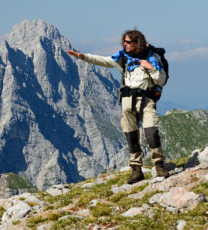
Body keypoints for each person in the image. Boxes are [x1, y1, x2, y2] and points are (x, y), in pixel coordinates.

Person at [66, 29, 168, 184]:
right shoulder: (123, 57)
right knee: (131, 134)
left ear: (137, 43)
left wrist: (150, 67)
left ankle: (159, 165)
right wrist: (83, 57)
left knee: (151, 132)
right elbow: (104, 61)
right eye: (124, 42)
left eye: (128, 42)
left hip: (146, 99)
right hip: (127, 100)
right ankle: (136, 169)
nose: (125, 44)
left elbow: (161, 80)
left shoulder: (151, 58)